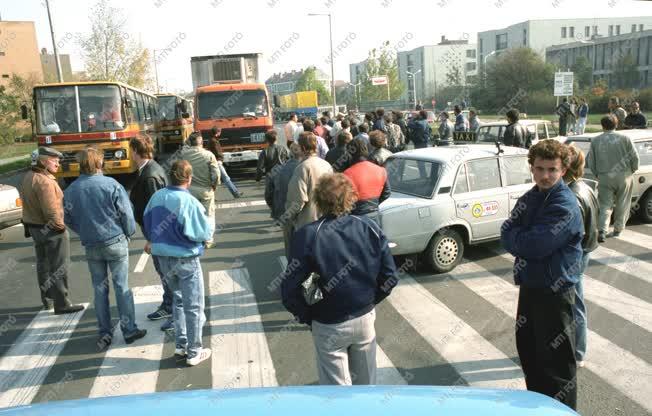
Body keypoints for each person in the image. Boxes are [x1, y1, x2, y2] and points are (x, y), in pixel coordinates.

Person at [281, 173, 399, 385]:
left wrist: (309, 316)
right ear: (351, 197)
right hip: (364, 317)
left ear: (318, 200)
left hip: (327, 322)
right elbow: (390, 276)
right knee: (367, 385)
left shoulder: (308, 235)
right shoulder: (369, 226)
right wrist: (369, 301)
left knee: (336, 393)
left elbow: (289, 290)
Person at [500, 139, 583, 410]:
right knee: (532, 359)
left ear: (563, 170)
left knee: (557, 367)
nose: (545, 175)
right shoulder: (532, 196)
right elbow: (507, 231)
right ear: (532, 168)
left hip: (554, 293)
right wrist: (518, 237)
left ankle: (562, 413)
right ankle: (538, 410)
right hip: (531, 288)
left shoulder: (564, 205)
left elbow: (534, 246)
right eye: (540, 169)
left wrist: (518, 238)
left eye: (552, 170)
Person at [64, 147, 146, 349]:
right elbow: (126, 213)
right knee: (121, 287)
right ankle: (129, 330)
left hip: (92, 245)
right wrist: (128, 233)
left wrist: (84, 231)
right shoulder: (111, 184)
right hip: (115, 241)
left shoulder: (71, 190)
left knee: (99, 290)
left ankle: (105, 333)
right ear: (99, 163)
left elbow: (68, 218)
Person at [143, 160, 213, 366]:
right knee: (194, 305)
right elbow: (203, 232)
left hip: (163, 258)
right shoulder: (188, 201)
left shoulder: (156, 197)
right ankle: (194, 351)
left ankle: (181, 345)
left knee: (178, 302)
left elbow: (147, 221)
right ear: (189, 179)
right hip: (186, 258)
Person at [19, 147, 84, 314]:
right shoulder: (45, 182)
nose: (58, 162)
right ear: (42, 161)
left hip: (34, 227)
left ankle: (48, 300)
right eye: (53, 159)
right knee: (59, 267)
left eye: (58, 159)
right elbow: (51, 212)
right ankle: (62, 304)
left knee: (44, 265)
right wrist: (61, 228)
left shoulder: (29, 176)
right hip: (51, 230)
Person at [128, 136, 175, 332]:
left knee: (167, 273)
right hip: (158, 233)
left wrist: (152, 239)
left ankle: (173, 312)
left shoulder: (150, 176)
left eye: (131, 150)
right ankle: (169, 305)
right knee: (165, 272)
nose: (130, 154)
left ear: (136, 151)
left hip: (159, 235)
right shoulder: (150, 170)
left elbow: (157, 211)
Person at [564, 144, 599, 368]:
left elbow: (573, 233)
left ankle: (577, 352)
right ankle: (575, 349)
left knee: (574, 302)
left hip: (578, 253)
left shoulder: (573, 193)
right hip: (586, 249)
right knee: (575, 300)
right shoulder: (585, 187)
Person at [586, 116, 640, 242]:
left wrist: (597, 174)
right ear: (616, 124)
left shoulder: (596, 140)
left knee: (605, 204)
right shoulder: (625, 138)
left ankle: (602, 230)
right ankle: (618, 229)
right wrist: (633, 169)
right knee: (623, 203)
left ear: (602, 125)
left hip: (604, 175)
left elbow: (591, 161)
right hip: (624, 174)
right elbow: (635, 156)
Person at [284, 132, 333, 235]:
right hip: (326, 221)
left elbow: (298, 200)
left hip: (308, 223)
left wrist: (289, 218)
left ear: (303, 148)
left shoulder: (302, 168)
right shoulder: (326, 165)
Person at [178, 132, 220, 247]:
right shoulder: (209, 155)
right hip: (206, 189)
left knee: (192, 215)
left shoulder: (184, 155)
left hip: (189, 190)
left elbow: (178, 170)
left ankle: (194, 238)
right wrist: (214, 185)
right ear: (201, 141)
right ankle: (208, 240)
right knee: (209, 215)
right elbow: (216, 174)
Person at [265, 142, 303, 257]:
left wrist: (275, 209)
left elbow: (268, 194)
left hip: (284, 213)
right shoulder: (306, 168)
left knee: (289, 245)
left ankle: (291, 268)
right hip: (304, 213)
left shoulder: (277, 170)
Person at [343, 138, 391, 224]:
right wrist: (374, 204)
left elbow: (343, 200)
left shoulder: (346, 174)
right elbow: (387, 192)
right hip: (374, 214)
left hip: (355, 217)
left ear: (350, 154)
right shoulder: (381, 170)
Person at [206, 127, 244, 198]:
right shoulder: (214, 141)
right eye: (220, 132)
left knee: (214, 180)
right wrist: (221, 158)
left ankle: (211, 196)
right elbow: (218, 152)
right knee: (225, 178)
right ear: (217, 133)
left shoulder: (211, 140)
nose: (220, 133)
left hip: (213, 161)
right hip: (217, 162)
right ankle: (235, 193)